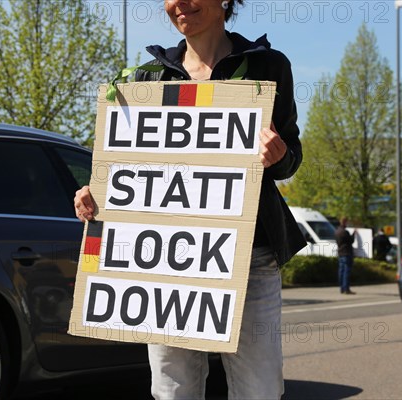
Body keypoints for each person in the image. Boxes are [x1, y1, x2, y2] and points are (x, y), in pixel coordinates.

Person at [74, 1, 306, 398]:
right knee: (172, 388)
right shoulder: (144, 79)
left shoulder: (268, 67)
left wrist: (280, 154)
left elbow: (291, 158)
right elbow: (124, 165)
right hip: (165, 263)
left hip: (249, 255)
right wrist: (94, 194)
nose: (178, 3)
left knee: (259, 389)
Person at [335, 217, 357, 295]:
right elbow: (351, 241)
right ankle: (346, 289)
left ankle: (342, 288)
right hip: (347, 253)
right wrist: (354, 234)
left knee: (341, 271)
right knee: (346, 272)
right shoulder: (345, 232)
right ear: (344, 222)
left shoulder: (337, 231)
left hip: (340, 253)